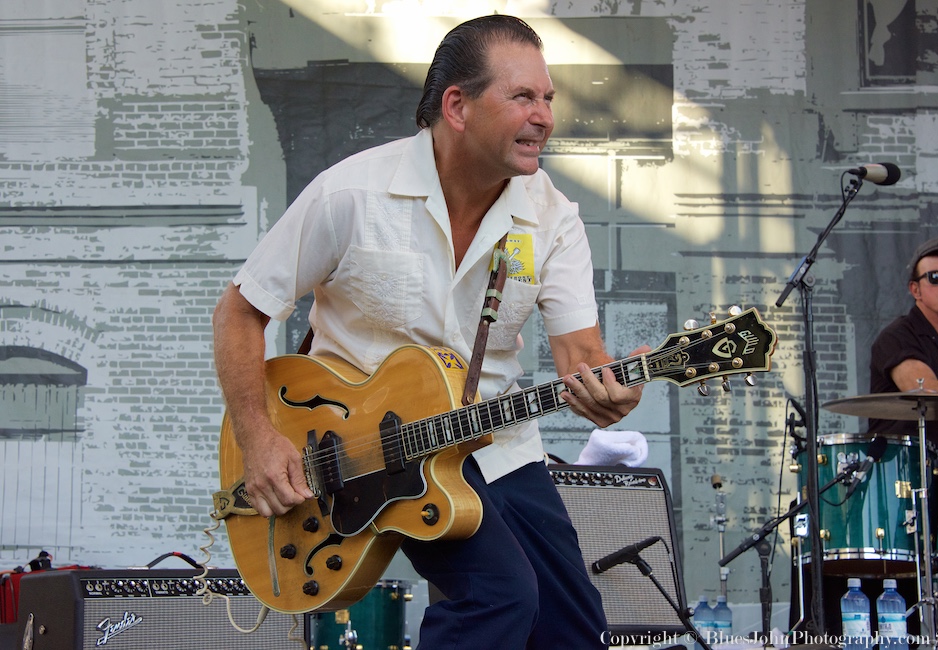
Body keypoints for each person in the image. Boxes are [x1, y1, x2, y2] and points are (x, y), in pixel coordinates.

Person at [212, 15, 646, 649]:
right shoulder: (352, 195)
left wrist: (613, 392)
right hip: (359, 455)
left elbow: (583, 356)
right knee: (497, 597)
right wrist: (257, 439)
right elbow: (239, 311)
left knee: (572, 628)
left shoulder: (551, 217)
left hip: (497, 444)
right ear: (457, 106)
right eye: (523, 96)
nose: (545, 116)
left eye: (548, 98)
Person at [869, 235, 938, 522]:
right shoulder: (897, 337)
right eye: (936, 277)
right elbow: (924, 388)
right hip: (905, 475)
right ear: (915, 289)